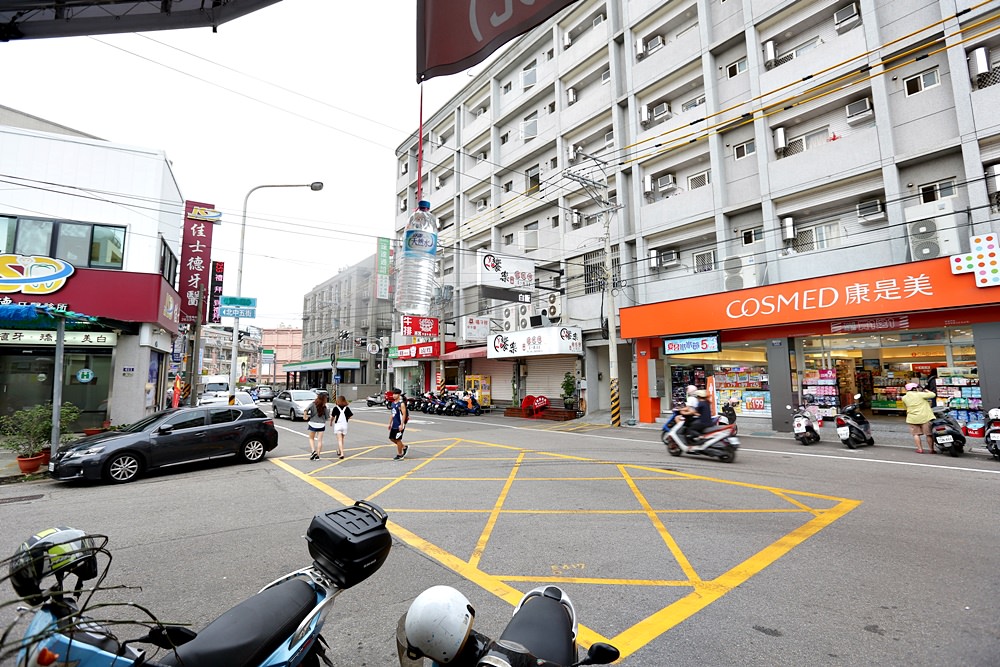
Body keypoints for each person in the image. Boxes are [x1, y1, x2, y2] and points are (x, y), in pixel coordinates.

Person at [901, 382, 937, 454]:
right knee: (928, 434)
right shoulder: (920, 394)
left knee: (916, 434)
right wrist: (927, 391)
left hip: (913, 418)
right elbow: (933, 395)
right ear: (915, 388)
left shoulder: (904, 398)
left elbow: (905, 408)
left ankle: (920, 449)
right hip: (925, 417)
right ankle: (931, 449)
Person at [304, 391, 329, 460]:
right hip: (321, 424)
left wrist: (305, 416)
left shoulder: (313, 404)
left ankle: (313, 451)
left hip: (312, 423)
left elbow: (306, 409)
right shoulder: (325, 406)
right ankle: (317, 455)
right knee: (319, 440)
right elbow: (327, 417)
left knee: (311, 438)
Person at [329, 395, 353, 460]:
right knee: (342, 439)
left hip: (338, 425)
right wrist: (346, 418)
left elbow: (332, 417)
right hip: (344, 425)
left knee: (339, 440)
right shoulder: (346, 408)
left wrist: (331, 422)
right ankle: (339, 451)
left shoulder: (335, 408)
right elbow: (350, 416)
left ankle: (342, 453)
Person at [389, 387, 408, 460]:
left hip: (400, 424)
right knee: (391, 438)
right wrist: (389, 423)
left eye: (396, 394)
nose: (394, 395)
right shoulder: (393, 403)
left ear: (399, 395)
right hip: (394, 424)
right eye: (393, 394)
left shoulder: (401, 404)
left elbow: (404, 414)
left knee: (398, 439)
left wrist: (402, 424)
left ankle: (400, 454)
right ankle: (404, 447)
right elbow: (392, 414)